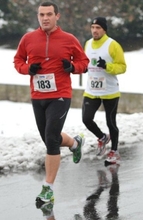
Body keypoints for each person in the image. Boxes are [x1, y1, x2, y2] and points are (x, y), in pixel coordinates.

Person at [13, 1, 89, 204]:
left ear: (57, 16)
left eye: (49, 14)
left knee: (51, 137)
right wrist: (27, 69)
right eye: (41, 14)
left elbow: (84, 63)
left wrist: (72, 67)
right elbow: (18, 61)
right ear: (38, 17)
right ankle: (74, 142)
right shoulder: (28, 38)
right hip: (38, 96)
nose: (45, 18)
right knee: (49, 139)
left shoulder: (68, 39)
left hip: (60, 95)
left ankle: (48, 189)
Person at [83, 17, 127, 165]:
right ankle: (102, 137)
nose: (95, 30)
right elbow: (84, 63)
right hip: (92, 90)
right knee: (86, 119)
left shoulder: (112, 45)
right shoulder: (88, 44)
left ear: (104, 30)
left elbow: (122, 67)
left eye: (98, 28)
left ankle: (114, 151)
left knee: (111, 122)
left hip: (110, 90)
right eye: (93, 27)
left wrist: (107, 66)